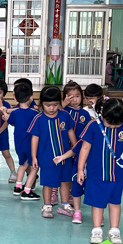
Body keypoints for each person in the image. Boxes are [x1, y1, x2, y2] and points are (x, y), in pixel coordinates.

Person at [76, 98, 123, 243]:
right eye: (110, 123)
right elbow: (85, 148)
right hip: (96, 174)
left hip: (117, 174)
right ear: (102, 113)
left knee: (115, 202)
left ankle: (114, 231)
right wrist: (80, 169)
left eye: (118, 124)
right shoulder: (93, 126)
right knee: (97, 203)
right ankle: (97, 230)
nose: (114, 126)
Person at [29, 86, 77, 219]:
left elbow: (70, 131)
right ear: (41, 104)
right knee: (48, 182)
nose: (51, 108)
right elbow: (34, 138)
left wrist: (75, 147)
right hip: (46, 158)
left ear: (60, 103)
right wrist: (34, 157)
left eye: (55, 105)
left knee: (65, 181)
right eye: (48, 105)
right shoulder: (38, 119)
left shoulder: (65, 116)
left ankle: (65, 204)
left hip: (65, 157)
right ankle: (47, 205)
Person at [60, 82, 92, 222]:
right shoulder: (63, 111)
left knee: (75, 172)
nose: (74, 99)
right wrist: (63, 104)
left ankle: (73, 195)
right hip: (64, 148)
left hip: (79, 149)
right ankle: (59, 194)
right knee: (63, 172)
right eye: (70, 96)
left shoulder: (85, 113)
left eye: (77, 96)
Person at [8, 81, 39, 201]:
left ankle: (18, 187)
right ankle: (27, 190)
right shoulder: (35, 114)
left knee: (22, 165)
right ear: (31, 97)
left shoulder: (15, 113)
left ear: (15, 98)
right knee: (35, 167)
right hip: (31, 145)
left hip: (19, 144)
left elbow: (11, 122)